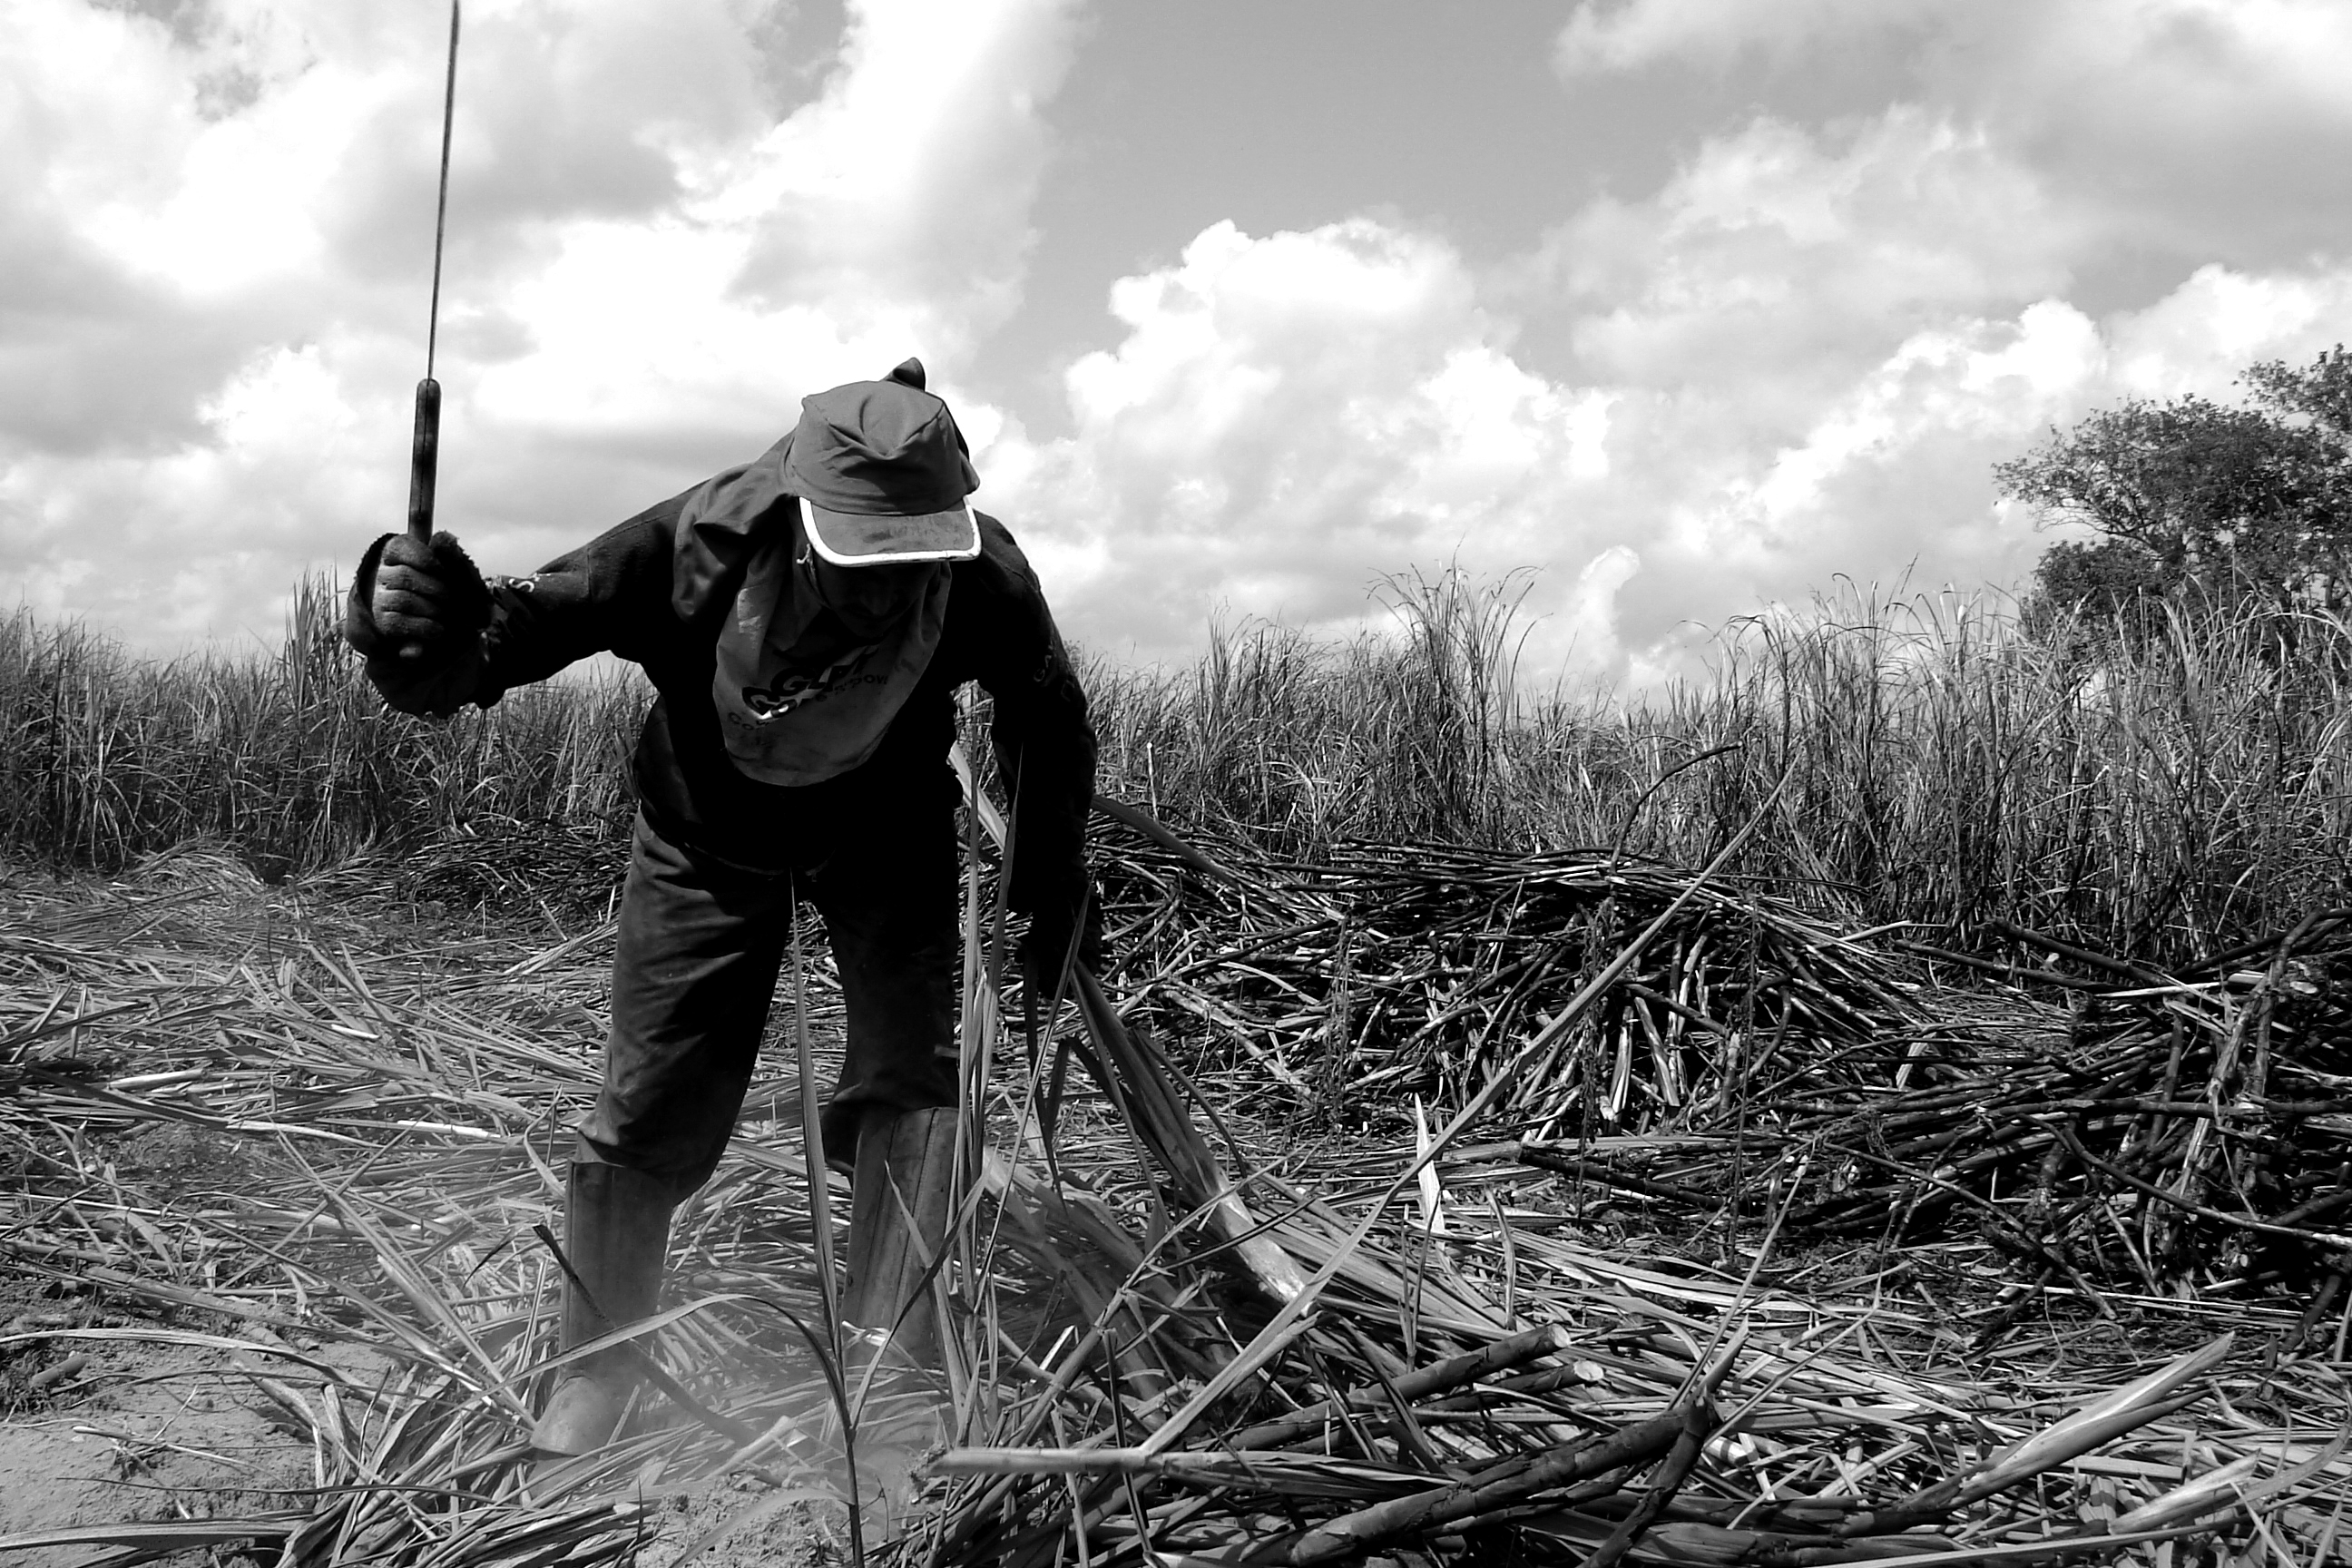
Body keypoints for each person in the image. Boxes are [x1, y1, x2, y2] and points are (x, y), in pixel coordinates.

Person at [344, 359, 1102, 1457]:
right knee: (651, 1099)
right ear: (800, 519)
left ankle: (889, 1350)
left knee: (917, 1078)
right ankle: (597, 1374)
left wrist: (1050, 885)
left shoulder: (977, 573)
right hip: (705, 830)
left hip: (885, 830)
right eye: (860, 563)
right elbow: (511, 630)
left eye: (910, 562)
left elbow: (1048, 718)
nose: (886, 592)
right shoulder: (691, 548)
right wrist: (419, 625)